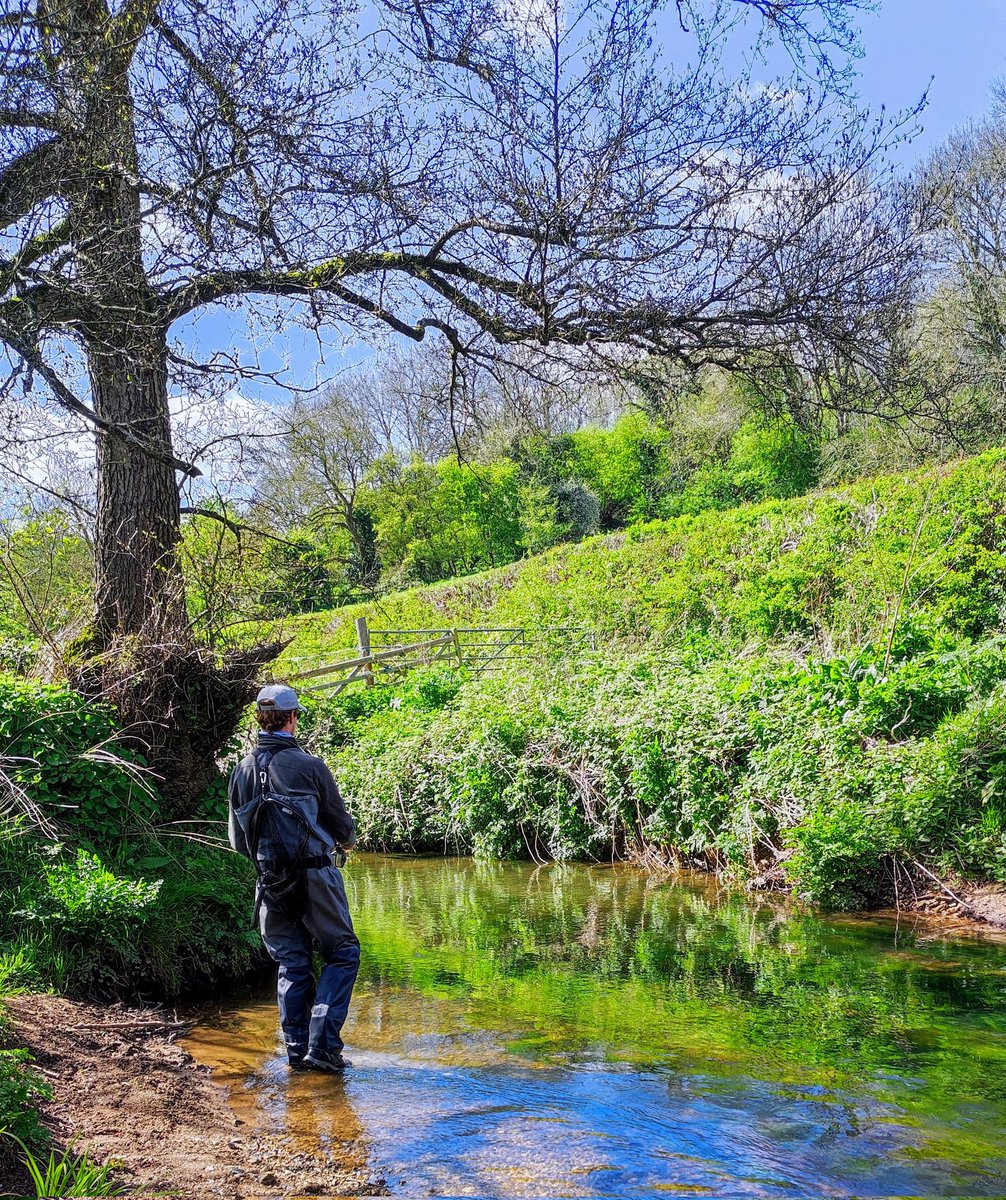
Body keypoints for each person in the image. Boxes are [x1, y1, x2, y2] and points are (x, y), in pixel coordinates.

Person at [228, 683, 359, 1072]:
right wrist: (346, 842)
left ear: (259, 720)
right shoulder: (310, 765)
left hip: (269, 882)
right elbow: (342, 828)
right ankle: (323, 1045)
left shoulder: (242, 770)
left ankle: (295, 1051)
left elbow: (238, 843)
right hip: (315, 877)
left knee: (292, 963)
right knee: (343, 953)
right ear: (293, 718)